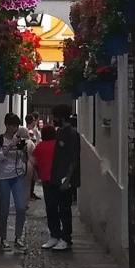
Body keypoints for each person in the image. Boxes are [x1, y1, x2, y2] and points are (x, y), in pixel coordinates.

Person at [42, 106, 81, 251]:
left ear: (61, 117)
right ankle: (55, 235)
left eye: (55, 117)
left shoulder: (72, 134)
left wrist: (68, 179)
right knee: (51, 206)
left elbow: (73, 158)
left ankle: (66, 237)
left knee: (64, 209)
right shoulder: (59, 132)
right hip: (54, 177)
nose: (53, 120)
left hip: (65, 179)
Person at [0, 113, 29, 253]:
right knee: (5, 210)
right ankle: (3, 238)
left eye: (17, 126)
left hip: (17, 175)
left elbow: (24, 160)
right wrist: (10, 146)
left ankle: (18, 238)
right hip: (2, 178)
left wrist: (24, 152)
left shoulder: (19, 140)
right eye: (13, 125)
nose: (15, 128)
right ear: (7, 125)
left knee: (21, 207)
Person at [31, 121, 58, 240]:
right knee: (60, 206)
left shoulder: (40, 146)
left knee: (50, 207)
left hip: (46, 179)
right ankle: (62, 235)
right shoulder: (58, 145)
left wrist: (38, 173)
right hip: (58, 178)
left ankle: (54, 233)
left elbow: (34, 161)